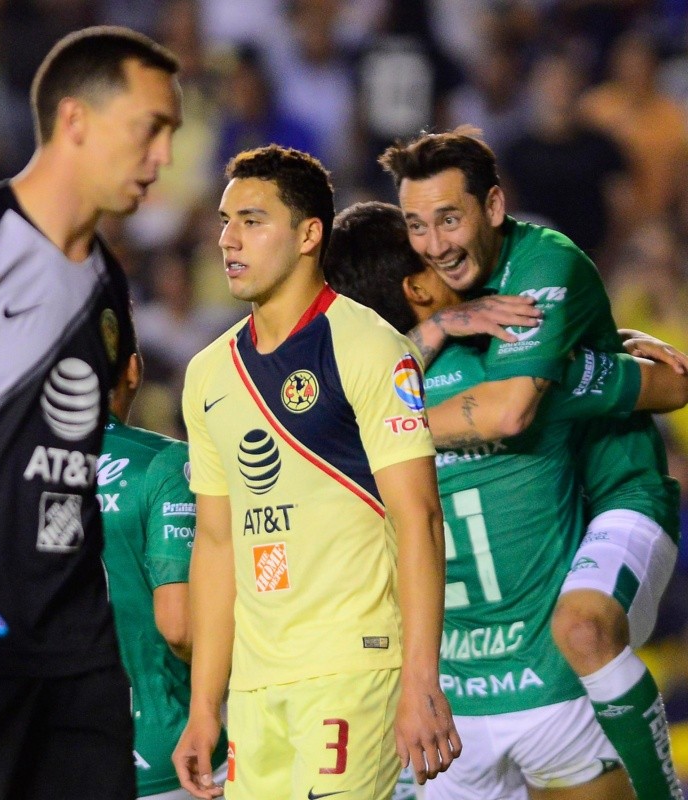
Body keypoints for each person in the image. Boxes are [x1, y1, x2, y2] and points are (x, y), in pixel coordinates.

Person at [0, 25, 182, 799]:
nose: (163, 159)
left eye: (172, 134)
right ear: (77, 121)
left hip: (80, 660)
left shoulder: (108, 286)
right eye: (149, 129)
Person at [325, 193, 684, 800]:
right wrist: (597, 347)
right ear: (418, 289)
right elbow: (667, 385)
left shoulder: (337, 413)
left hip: (443, 706)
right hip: (550, 687)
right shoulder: (514, 365)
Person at [172, 145, 460, 800]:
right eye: (224, 221)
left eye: (251, 220)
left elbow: (419, 516)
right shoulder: (208, 373)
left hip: (352, 671)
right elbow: (216, 544)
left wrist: (421, 679)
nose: (227, 239)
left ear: (309, 235)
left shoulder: (367, 346)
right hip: (255, 686)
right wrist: (205, 705)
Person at [99, 340, 228, 800]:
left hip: (49, 749)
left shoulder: (15, 473)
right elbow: (180, 629)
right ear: (133, 369)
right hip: (163, 754)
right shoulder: (164, 464)